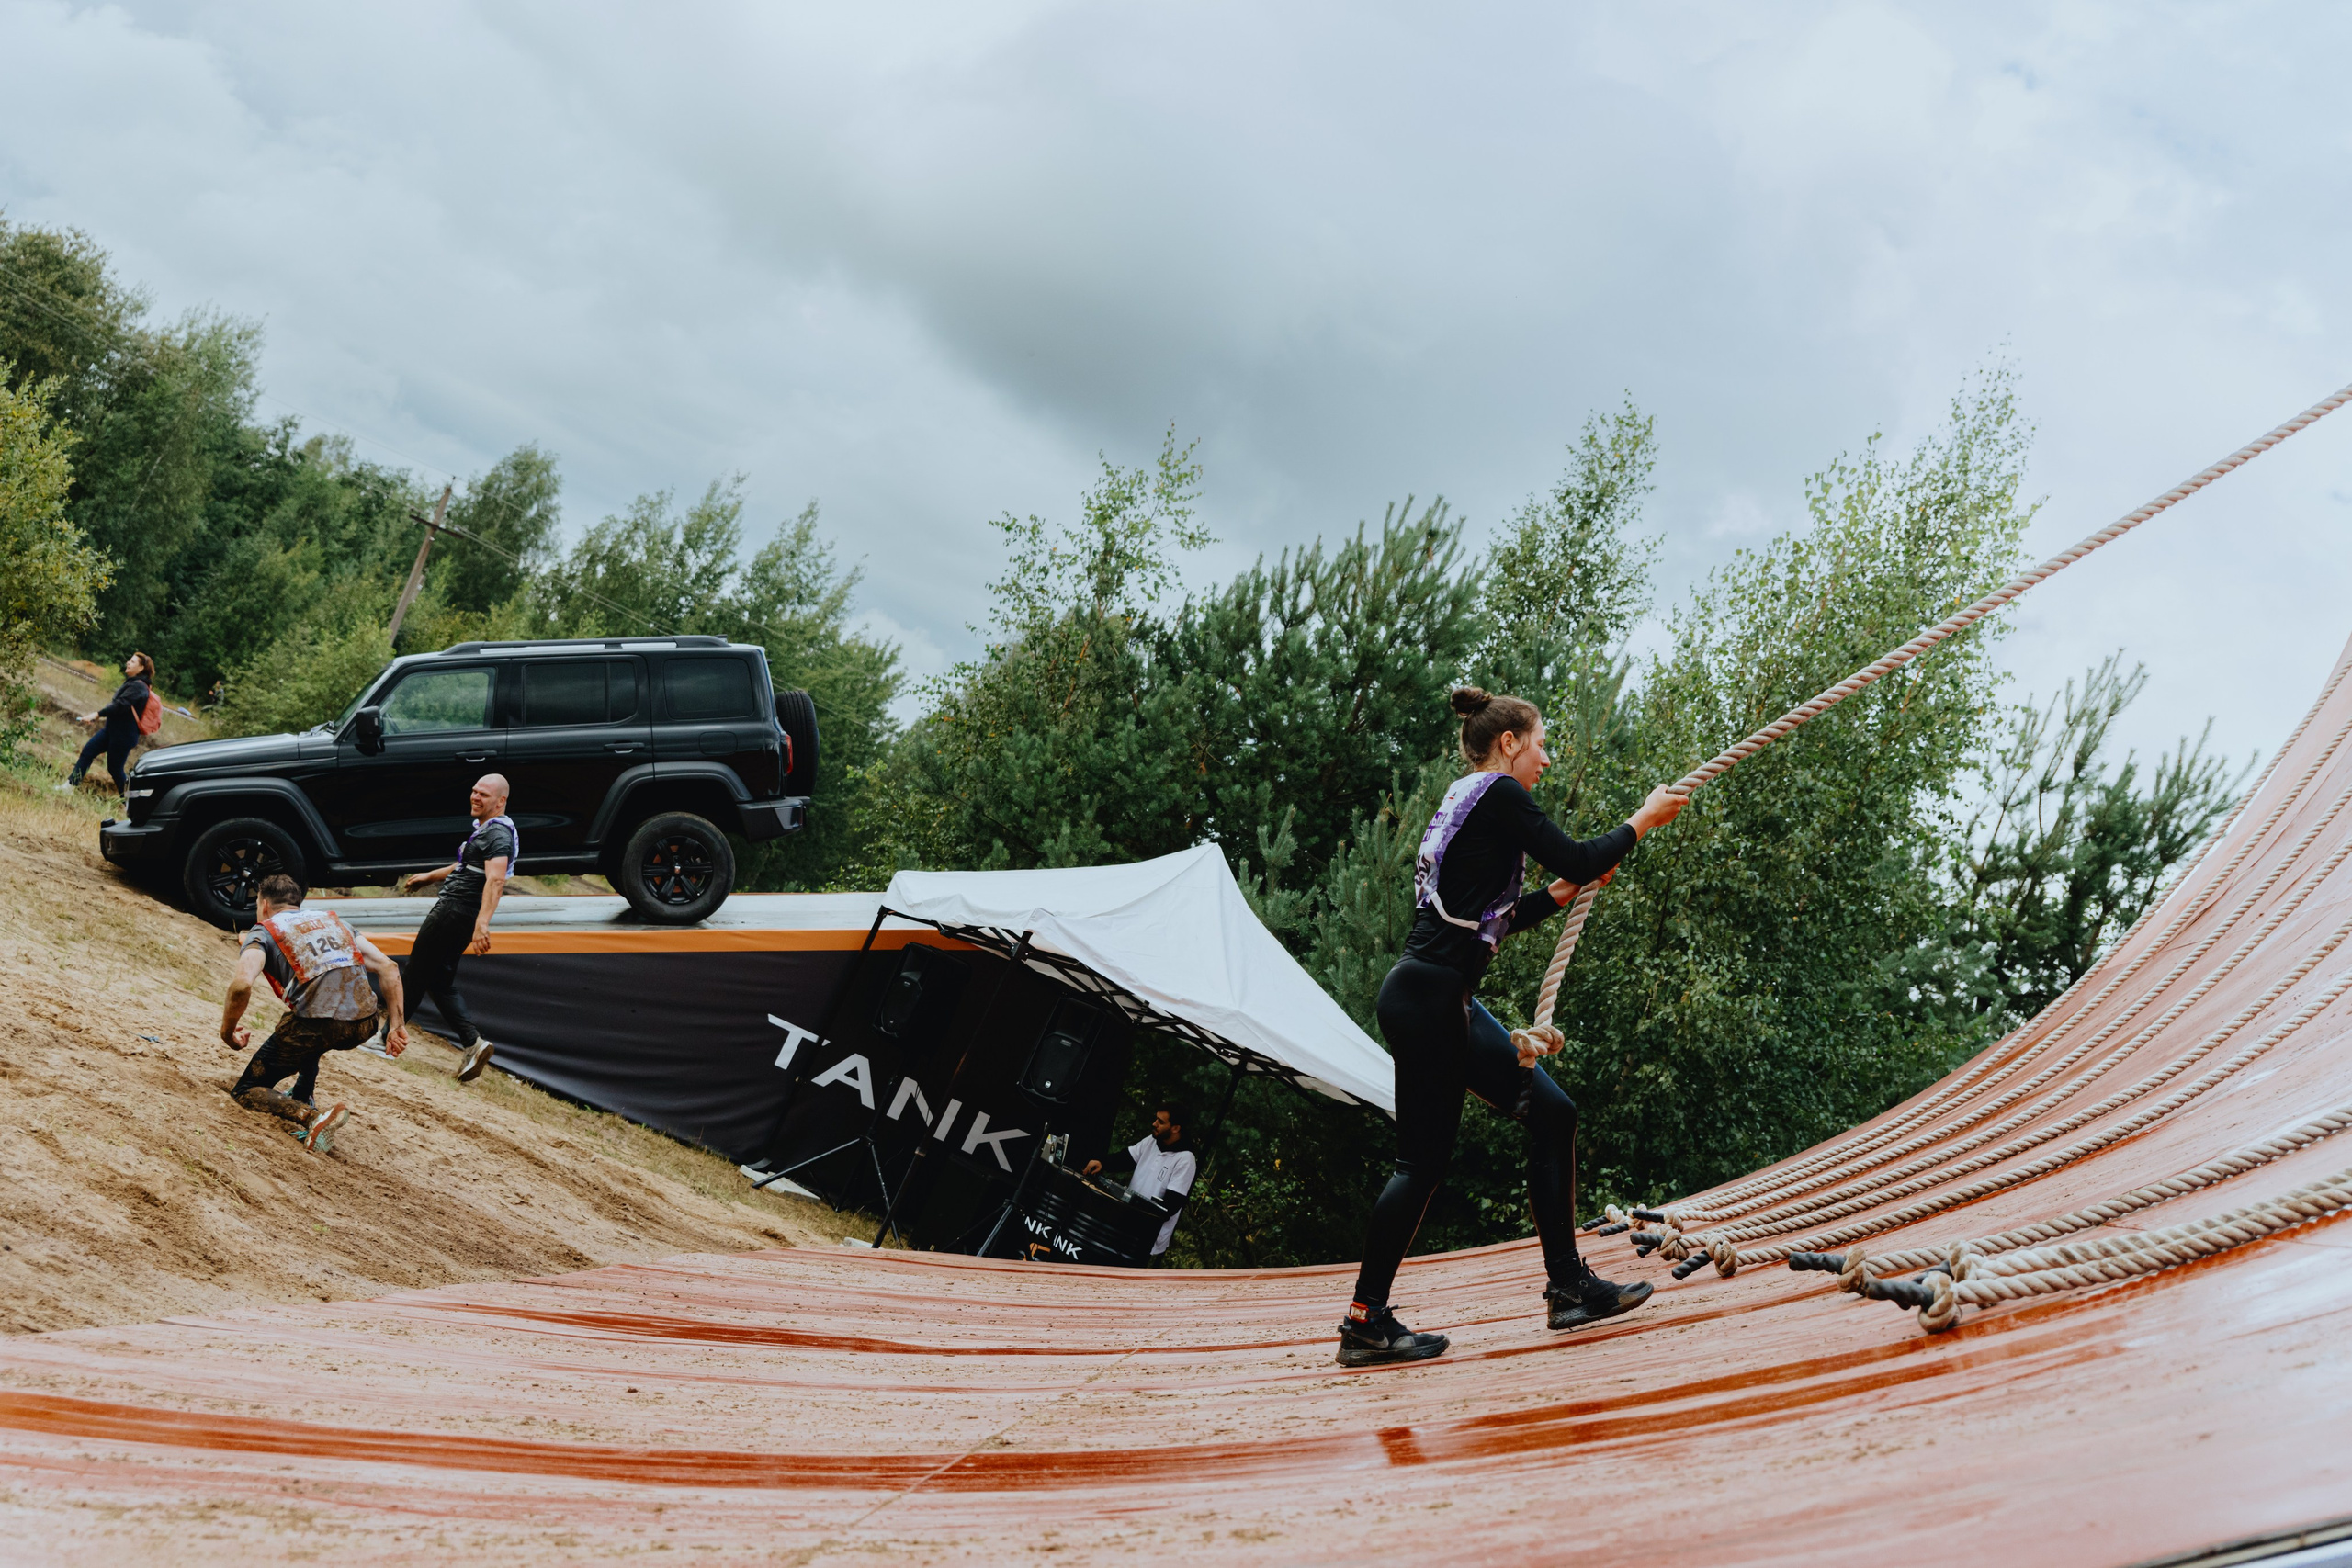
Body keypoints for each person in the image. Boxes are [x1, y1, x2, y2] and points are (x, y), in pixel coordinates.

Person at [1335, 686, 1688, 1369]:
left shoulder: (1466, 800)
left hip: (1436, 998)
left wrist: (1555, 897)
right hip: (1432, 999)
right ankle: (1365, 1319)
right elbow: (1580, 856)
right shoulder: (1497, 794)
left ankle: (1569, 1286)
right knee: (1421, 1164)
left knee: (1553, 1114)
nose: (1546, 759)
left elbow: (1486, 918)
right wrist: (1642, 819)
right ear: (1508, 743)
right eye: (1541, 743)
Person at [221, 873, 409, 1154]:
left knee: (246, 1090)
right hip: (365, 1024)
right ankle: (303, 1091)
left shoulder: (264, 932)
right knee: (308, 1022)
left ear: (263, 905)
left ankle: (312, 1117)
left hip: (319, 1025)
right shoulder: (335, 923)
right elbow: (389, 969)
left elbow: (241, 985)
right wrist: (396, 1026)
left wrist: (227, 1031)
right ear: (298, 903)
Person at [398, 773, 514, 1083]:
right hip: (461, 912)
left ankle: (386, 1038)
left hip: (454, 911)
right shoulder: (487, 831)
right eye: (474, 791)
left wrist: (483, 924)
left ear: (500, 801)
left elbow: (496, 879)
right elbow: (466, 865)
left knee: (416, 973)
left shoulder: (498, 835)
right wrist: (430, 876)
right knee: (439, 980)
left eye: (484, 795)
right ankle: (473, 1043)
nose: (476, 797)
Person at [1082, 1102, 1197, 1264]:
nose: (1154, 1124)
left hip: (1146, 1236)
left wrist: (1138, 1212)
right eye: (1156, 1119)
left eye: (1161, 1122)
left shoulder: (1185, 1159)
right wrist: (1103, 1163)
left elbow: (1171, 1205)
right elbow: (1127, 1159)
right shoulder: (1151, 1141)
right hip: (1125, 1223)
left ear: (1176, 1128)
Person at [58, 652, 154, 795]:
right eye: (129, 660)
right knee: (88, 752)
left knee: (115, 769)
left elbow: (121, 705)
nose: (128, 662)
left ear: (141, 668)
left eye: (133, 662)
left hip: (123, 736)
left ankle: (132, 800)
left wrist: (97, 714)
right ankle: (70, 787)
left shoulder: (139, 687)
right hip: (111, 730)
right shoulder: (132, 682)